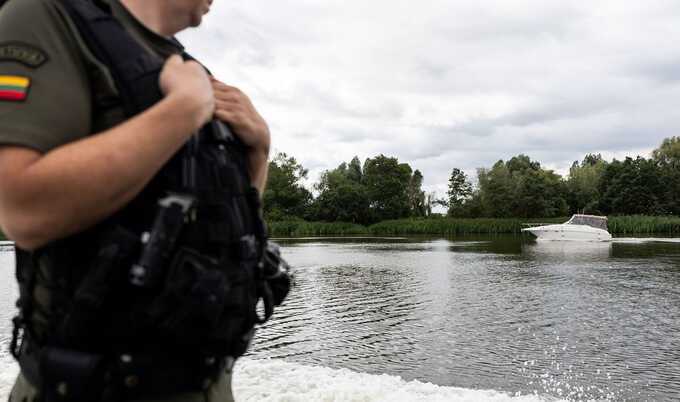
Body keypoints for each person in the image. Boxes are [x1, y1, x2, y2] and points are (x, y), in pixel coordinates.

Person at [0, 0, 286, 401]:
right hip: (91, 388)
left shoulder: (193, 72)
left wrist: (259, 151)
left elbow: (226, 221)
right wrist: (182, 111)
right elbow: (21, 210)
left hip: (208, 383)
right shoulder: (46, 16)